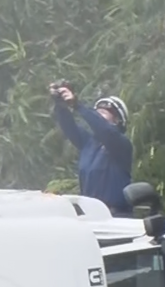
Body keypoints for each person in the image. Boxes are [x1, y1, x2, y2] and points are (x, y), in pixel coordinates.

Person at [49, 80, 135, 215]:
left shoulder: (121, 145)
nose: (98, 116)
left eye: (103, 113)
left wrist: (77, 104)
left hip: (116, 217)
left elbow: (105, 131)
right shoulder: (88, 143)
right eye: (97, 113)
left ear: (117, 120)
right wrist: (61, 106)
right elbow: (69, 127)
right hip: (90, 215)